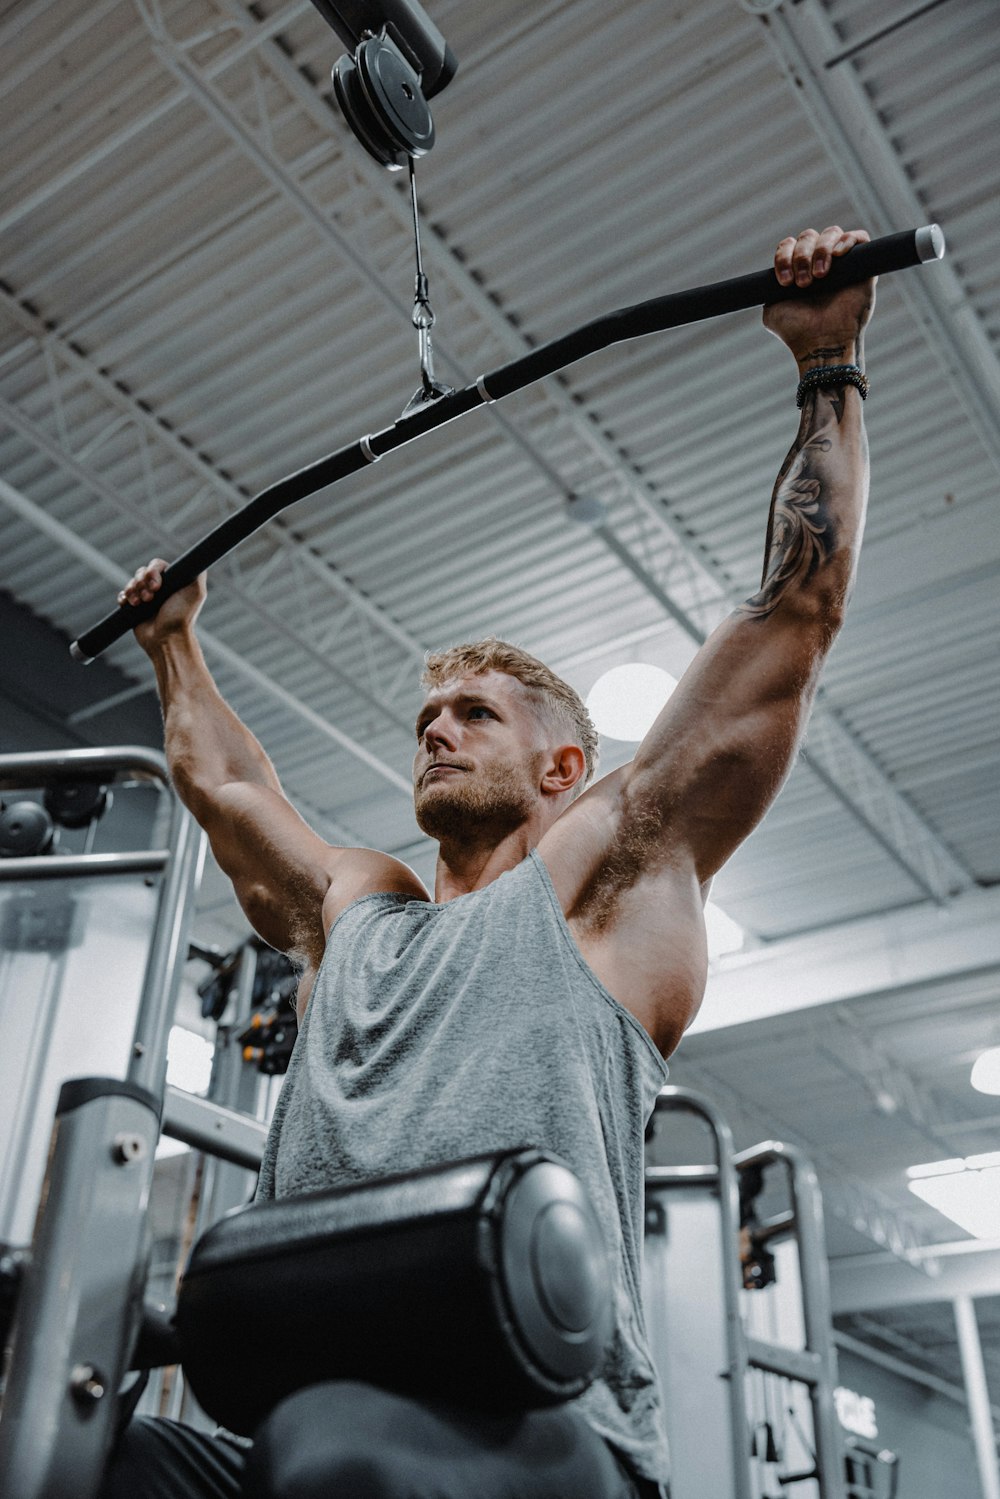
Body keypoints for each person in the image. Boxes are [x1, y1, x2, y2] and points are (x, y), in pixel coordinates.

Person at [99, 225, 875, 1499]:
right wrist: (176, 645)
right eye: (426, 714)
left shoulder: (603, 890)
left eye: (476, 711)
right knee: (92, 1448)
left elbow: (791, 617)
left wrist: (827, 361)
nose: (437, 725)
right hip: (305, 1425)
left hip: (545, 1436)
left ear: (564, 770)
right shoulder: (359, 912)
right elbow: (231, 785)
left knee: (333, 1452)